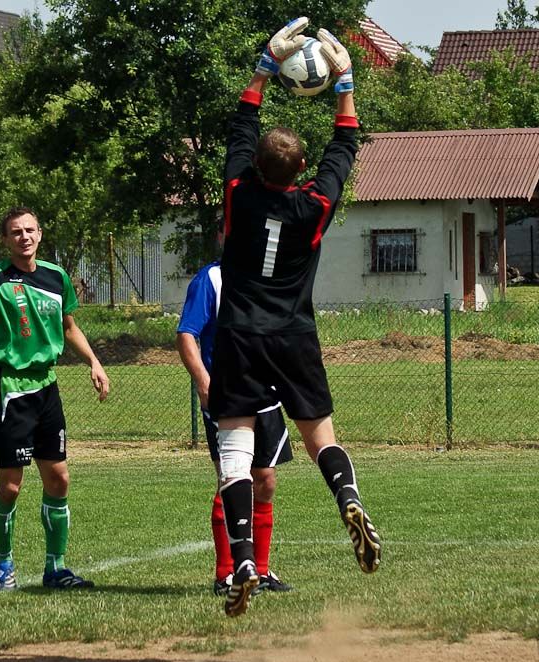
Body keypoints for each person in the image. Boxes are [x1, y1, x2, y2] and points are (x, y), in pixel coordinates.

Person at [210, 18, 382, 617]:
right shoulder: (314, 206)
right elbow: (347, 144)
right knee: (320, 439)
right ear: (301, 169)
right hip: (294, 335)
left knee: (235, 454)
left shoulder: (238, 192)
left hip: (237, 336)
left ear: (254, 166)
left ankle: (244, 561)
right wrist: (346, 80)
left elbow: (240, 126)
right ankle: (347, 499)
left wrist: (263, 65)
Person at [0, 206, 109, 591]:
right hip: (8, 388)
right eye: (16, 232)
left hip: (46, 386)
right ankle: (4, 564)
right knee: (12, 485)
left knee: (59, 478)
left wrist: (94, 362)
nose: (25, 237)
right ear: (5, 240)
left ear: (40, 234)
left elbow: (69, 327)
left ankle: (56, 568)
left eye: (31, 230)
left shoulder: (56, 276)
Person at [176, 240, 294, 597]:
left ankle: (260, 568)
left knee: (267, 480)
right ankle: (227, 573)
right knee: (232, 479)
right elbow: (187, 335)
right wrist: (203, 381)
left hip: (266, 392)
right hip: (227, 396)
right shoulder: (210, 279)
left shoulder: (267, 278)